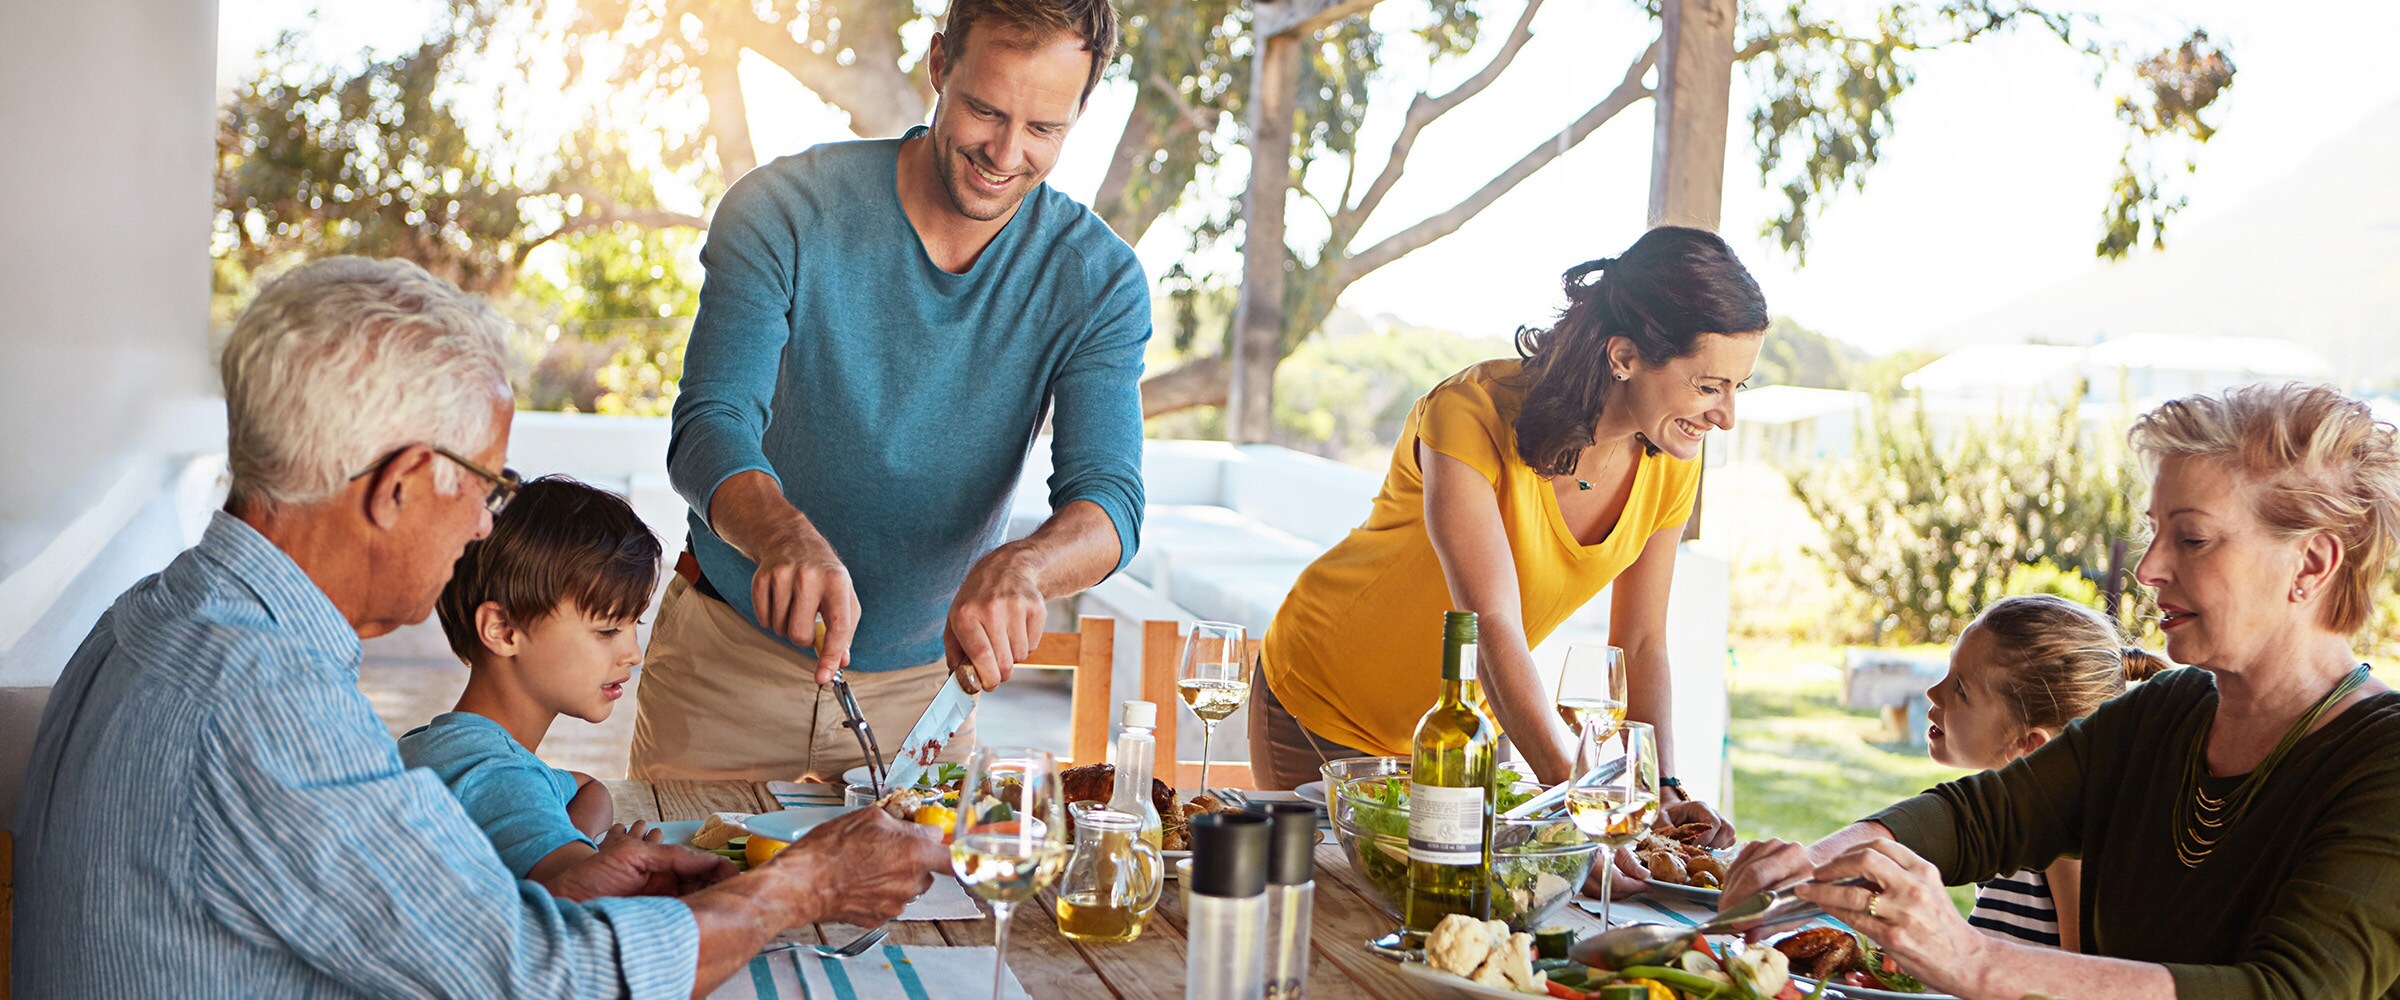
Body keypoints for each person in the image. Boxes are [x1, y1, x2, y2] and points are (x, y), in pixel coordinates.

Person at [11, 257, 949, 999]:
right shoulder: (262, 704)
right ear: (403, 485)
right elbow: (555, 982)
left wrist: (548, 893)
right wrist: (801, 888)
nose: (484, 527)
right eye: (489, 490)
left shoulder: (158, 618)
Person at [1723, 383, 2400, 999]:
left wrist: (1972, 957)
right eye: (2155, 532)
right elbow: (1980, 818)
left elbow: (2290, 990)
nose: (2148, 568)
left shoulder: (2382, 760)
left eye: (2192, 538)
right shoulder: (2165, 712)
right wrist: (1812, 863)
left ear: (2310, 563)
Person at [631, 0, 1147, 783]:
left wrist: (1026, 567)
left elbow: (1110, 500)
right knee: (686, 899)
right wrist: (781, 534)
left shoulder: (1098, 280)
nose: (1005, 153)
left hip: (924, 700)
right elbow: (710, 423)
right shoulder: (782, 209)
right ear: (940, 64)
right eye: (984, 109)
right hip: (723, 669)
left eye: (1045, 129)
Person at [1249, 227, 1764, 834]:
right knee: (1351, 918)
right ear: (1624, 357)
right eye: (1709, 387)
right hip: (1328, 707)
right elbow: (1488, 626)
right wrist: (1583, 805)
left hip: (1465, 737)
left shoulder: (1671, 459)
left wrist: (1660, 790)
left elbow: (1643, 642)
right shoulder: (1468, 414)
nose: (1726, 416)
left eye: (1738, 388)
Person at [400, 476, 662, 889]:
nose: (633, 653)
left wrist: (572, 845)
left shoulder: (448, 746)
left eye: (635, 625)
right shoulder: (494, 775)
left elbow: (589, 788)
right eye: (608, 630)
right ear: (504, 631)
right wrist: (587, 865)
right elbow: (587, 893)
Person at [1920, 594, 2166, 951]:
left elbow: (2080, 978)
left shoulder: (2063, 840)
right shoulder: (2009, 821)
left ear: (2032, 746)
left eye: (1960, 688)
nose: (1933, 692)